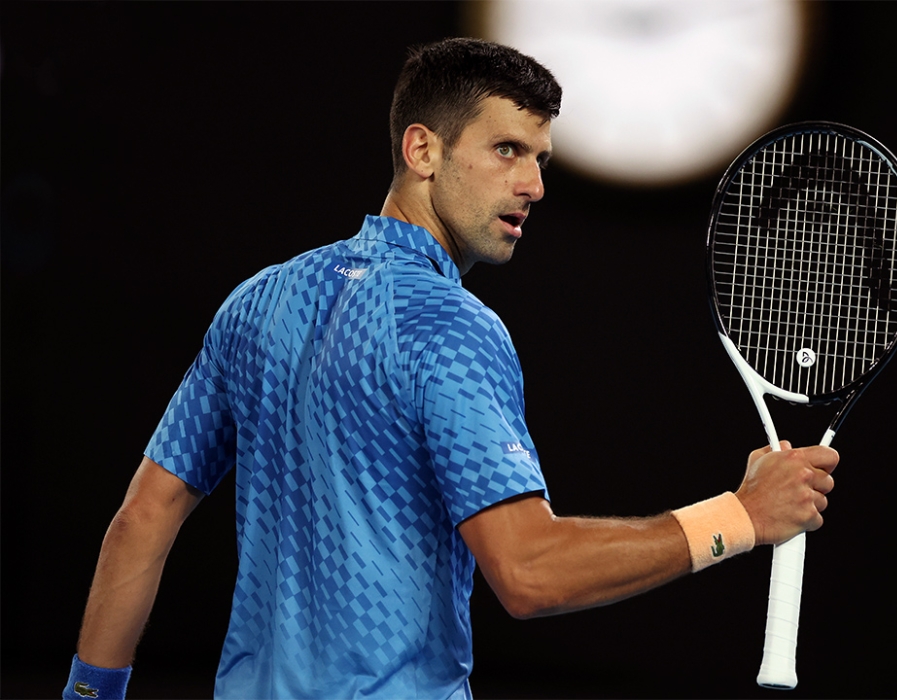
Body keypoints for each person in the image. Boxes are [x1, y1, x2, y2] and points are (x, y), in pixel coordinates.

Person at [62, 37, 838, 700]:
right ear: (423, 150)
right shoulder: (451, 328)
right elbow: (530, 574)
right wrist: (741, 516)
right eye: (506, 151)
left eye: (540, 158)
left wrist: (89, 693)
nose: (534, 185)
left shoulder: (258, 301)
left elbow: (141, 522)